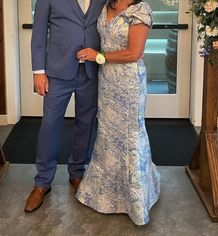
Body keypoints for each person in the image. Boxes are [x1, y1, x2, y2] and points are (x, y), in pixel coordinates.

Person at [76, 0, 160, 225]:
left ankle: (135, 198)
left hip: (129, 82)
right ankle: (105, 193)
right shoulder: (106, 6)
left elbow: (134, 53)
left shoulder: (140, 10)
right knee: (107, 133)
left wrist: (99, 57)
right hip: (107, 81)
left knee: (130, 134)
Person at [24, 0, 106, 212]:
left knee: (86, 124)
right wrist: (38, 72)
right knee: (50, 125)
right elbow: (39, 34)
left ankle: (77, 173)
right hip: (57, 73)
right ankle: (42, 182)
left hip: (91, 71)